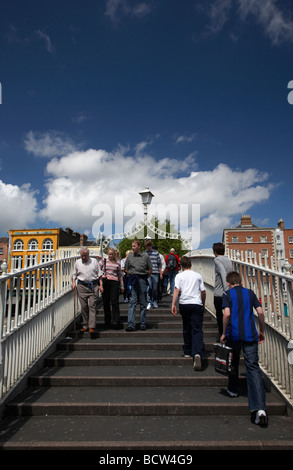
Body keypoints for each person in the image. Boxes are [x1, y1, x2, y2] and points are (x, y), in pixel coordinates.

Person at [221, 271, 268, 427]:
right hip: (250, 335)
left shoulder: (227, 294)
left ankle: (233, 389)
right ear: (240, 281)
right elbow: (260, 312)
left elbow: (226, 314)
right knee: (253, 368)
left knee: (232, 362)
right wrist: (261, 330)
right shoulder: (250, 293)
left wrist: (223, 332)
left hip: (234, 335)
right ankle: (260, 409)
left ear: (228, 283)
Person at [171, 256, 206, 371]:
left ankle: (187, 351)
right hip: (196, 303)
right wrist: (203, 303)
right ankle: (197, 353)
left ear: (181, 266)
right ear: (191, 265)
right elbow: (203, 291)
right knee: (197, 329)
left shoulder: (179, 276)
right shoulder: (197, 275)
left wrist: (173, 304)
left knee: (186, 326)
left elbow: (176, 290)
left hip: (184, 303)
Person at [124, 239, 152, 331]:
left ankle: (143, 323)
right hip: (133, 280)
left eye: (134, 246)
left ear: (139, 246)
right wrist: (132, 276)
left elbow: (150, 270)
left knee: (143, 302)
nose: (132, 248)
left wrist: (144, 278)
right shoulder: (130, 257)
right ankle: (131, 324)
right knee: (132, 302)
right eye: (132, 246)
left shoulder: (146, 257)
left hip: (142, 279)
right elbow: (126, 269)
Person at [72, 247, 102, 333]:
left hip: (93, 285)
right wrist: (73, 282)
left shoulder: (94, 261)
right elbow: (74, 274)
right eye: (82, 256)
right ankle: (85, 325)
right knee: (84, 306)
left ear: (88, 254)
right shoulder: (77, 262)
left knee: (91, 305)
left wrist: (101, 285)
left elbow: (99, 274)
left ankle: (91, 326)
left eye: (85, 256)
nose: (83, 257)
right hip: (82, 286)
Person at [99, 248, 124, 329]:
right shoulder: (104, 260)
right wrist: (101, 276)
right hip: (106, 282)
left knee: (114, 301)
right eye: (109, 254)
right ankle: (107, 320)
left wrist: (122, 285)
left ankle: (116, 320)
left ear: (114, 254)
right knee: (106, 302)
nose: (110, 256)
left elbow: (120, 274)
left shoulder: (117, 263)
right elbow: (97, 269)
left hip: (114, 282)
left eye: (112, 254)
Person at [212, 242, 233, 340]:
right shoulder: (228, 260)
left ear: (214, 251)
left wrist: (226, 291)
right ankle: (228, 334)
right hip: (229, 291)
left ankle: (222, 335)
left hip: (220, 293)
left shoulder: (217, 259)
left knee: (220, 316)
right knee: (229, 314)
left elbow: (223, 272)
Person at [145, 240, 162, 309]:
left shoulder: (156, 253)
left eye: (149, 246)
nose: (148, 247)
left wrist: (161, 273)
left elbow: (159, 264)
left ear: (151, 246)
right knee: (149, 288)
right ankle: (149, 302)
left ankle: (154, 300)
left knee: (155, 289)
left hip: (155, 272)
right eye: (146, 246)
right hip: (147, 273)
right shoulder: (145, 253)